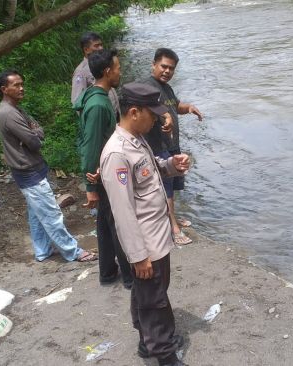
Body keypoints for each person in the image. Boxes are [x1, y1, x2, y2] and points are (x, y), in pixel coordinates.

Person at [100, 82, 191, 366]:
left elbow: (150, 173)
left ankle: (145, 341)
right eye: (152, 113)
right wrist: (138, 256)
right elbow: (123, 212)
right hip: (146, 243)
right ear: (135, 111)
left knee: (147, 294)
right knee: (155, 301)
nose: (157, 118)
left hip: (156, 234)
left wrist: (172, 165)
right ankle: (164, 356)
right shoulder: (117, 153)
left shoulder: (137, 138)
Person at [0, 69, 96, 263]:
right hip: (28, 172)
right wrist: (35, 134)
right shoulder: (9, 114)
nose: (21, 88)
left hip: (30, 170)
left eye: (21, 83)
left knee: (37, 214)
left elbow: (37, 131)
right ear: (4, 89)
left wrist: (35, 133)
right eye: (16, 85)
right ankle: (73, 251)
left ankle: (42, 251)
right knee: (51, 213)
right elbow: (35, 142)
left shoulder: (16, 109)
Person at [73, 50, 133, 288]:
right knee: (118, 222)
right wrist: (91, 186)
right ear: (107, 72)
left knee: (106, 223)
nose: (120, 72)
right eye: (117, 68)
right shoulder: (99, 105)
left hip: (102, 172)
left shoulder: (94, 96)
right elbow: (91, 146)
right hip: (104, 174)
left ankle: (108, 272)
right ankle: (130, 277)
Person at [140, 48, 203, 245]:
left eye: (171, 68)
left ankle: (172, 215)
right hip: (157, 146)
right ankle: (172, 227)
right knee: (164, 189)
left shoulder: (166, 87)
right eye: (163, 67)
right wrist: (163, 117)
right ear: (153, 65)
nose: (167, 71)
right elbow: (143, 106)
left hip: (171, 144)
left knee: (172, 187)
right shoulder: (146, 86)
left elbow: (175, 106)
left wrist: (189, 107)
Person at [71, 32, 120, 119]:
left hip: (113, 115)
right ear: (86, 50)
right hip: (102, 119)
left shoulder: (104, 63)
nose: (101, 48)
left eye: (101, 45)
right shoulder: (81, 72)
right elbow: (76, 101)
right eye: (96, 46)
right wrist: (93, 119)